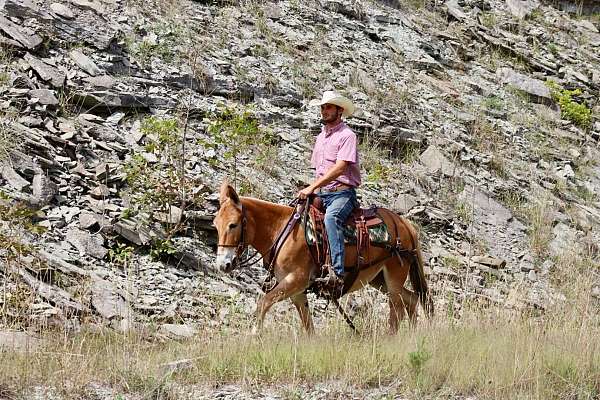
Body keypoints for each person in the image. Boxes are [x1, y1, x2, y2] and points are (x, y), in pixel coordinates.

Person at [297, 90, 361, 287]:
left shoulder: (347, 135)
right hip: (323, 193)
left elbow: (340, 167)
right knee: (297, 215)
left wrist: (312, 188)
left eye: (329, 107)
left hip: (342, 193)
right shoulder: (320, 138)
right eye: (323, 107)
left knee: (331, 218)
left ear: (339, 110)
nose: (324, 111)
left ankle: (337, 272)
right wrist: (312, 191)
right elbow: (319, 170)